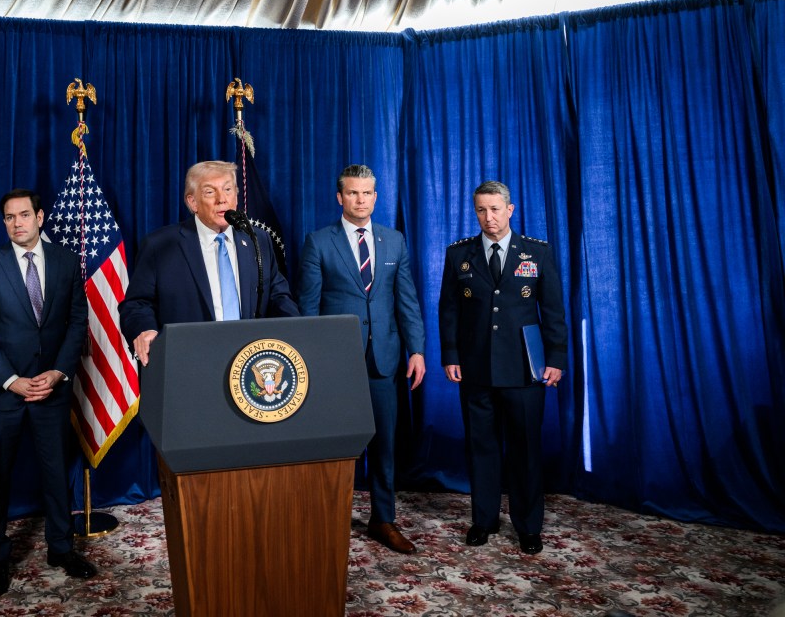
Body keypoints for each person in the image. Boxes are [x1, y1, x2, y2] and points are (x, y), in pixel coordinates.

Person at [0, 188, 97, 596]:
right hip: (2, 393)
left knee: (57, 474)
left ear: (40, 217)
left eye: (24, 215)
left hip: (52, 389)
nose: (16, 223)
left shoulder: (64, 261)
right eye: (9, 217)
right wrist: (12, 380)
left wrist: (58, 372)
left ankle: (61, 548)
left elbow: (77, 322)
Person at [297, 165, 426, 555]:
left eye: (367, 193)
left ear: (375, 197)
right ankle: (330, 517)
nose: (360, 200)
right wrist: (313, 360)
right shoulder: (319, 242)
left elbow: (406, 300)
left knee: (385, 444)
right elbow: (308, 309)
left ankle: (382, 519)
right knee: (338, 446)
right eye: (353, 193)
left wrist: (417, 349)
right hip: (337, 363)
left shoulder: (394, 241)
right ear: (340, 197)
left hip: (384, 360)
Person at [438, 180, 568, 555]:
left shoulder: (537, 253)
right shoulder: (459, 255)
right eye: (481, 209)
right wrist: (451, 354)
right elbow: (449, 310)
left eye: (495, 209)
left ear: (510, 210)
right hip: (476, 367)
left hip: (524, 368)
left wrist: (556, 359)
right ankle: (484, 519)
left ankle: (528, 526)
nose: (488, 217)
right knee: (482, 447)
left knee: (525, 449)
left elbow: (554, 312)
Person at [119, 160, 299, 364]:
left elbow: (279, 296)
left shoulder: (257, 240)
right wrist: (146, 330)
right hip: (188, 362)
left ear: (237, 196)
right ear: (192, 202)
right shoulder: (160, 246)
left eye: (228, 189)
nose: (222, 199)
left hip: (248, 363)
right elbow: (136, 304)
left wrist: (297, 332)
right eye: (210, 192)